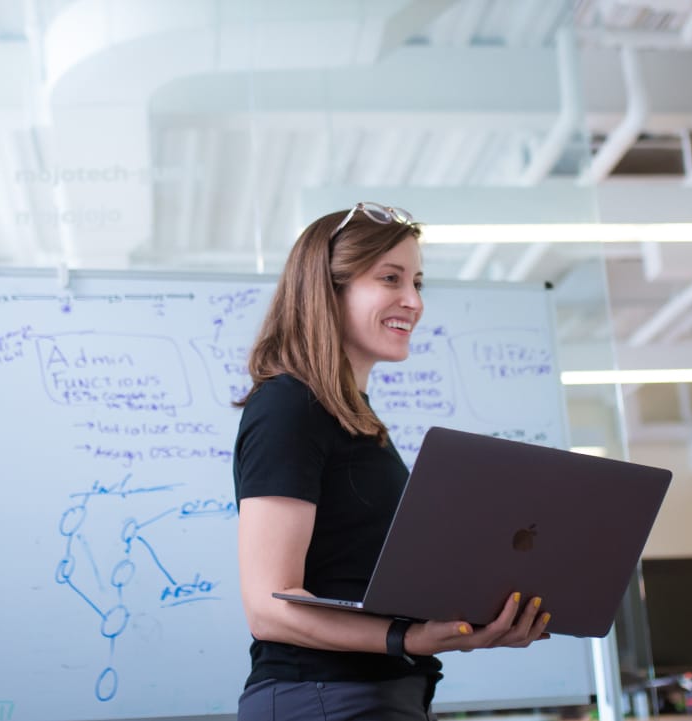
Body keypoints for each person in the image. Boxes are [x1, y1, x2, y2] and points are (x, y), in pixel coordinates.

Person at [232, 202, 551, 720]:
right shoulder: (290, 405)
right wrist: (409, 636)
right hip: (323, 697)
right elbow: (270, 608)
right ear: (327, 289)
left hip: (375, 696)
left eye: (418, 282)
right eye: (390, 278)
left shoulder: (349, 415)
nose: (413, 301)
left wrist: (469, 618)